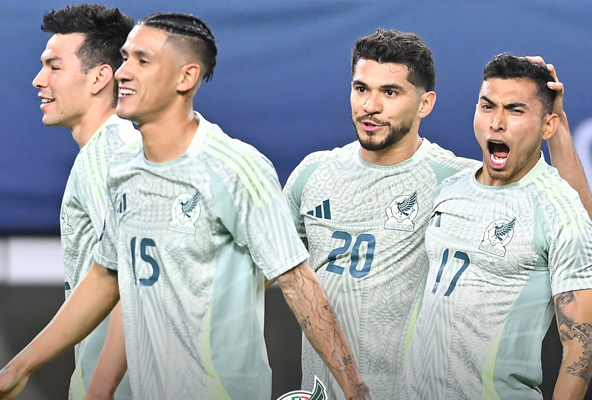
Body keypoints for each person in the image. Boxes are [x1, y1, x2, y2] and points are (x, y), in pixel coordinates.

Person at [0, 13, 369, 400]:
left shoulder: (203, 163)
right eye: (125, 58)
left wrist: (353, 388)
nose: (124, 73)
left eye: (142, 61)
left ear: (186, 77)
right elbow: (113, 278)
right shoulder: (128, 166)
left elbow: (294, 279)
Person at [283, 30, 592, 399]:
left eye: (390, 92)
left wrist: (555, 126)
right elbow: (264, 269)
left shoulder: (452, 178)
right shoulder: (313, 173)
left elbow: (574, 222)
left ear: (425, 103)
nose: (370, 105)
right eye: (361, 88)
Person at [401, 54, 592, 400]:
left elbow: (578, 353)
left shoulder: (559, 212)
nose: (497, 122)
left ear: (547, 126)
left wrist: (560, 126)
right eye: (487, 106)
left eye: (515, 110)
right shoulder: (448, 184)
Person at [31, 5, 138, 400]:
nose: (39, 80)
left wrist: (99, 387)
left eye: (54, 66)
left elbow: (128, 277)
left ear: (99, 77)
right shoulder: (121, 146)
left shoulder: (107, 152)